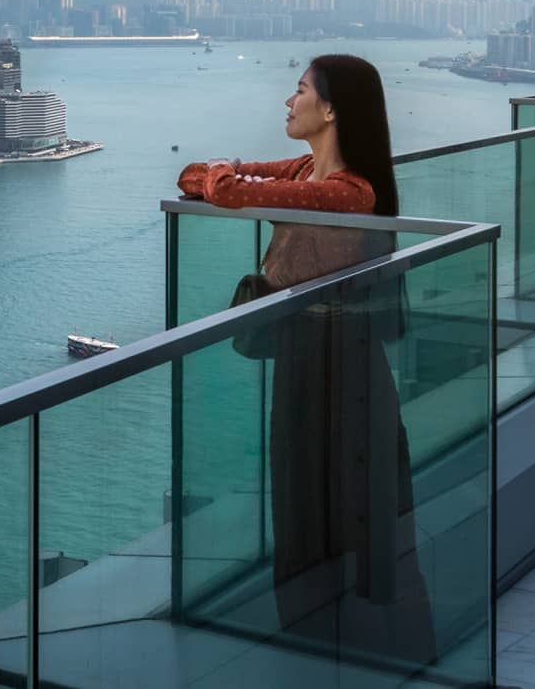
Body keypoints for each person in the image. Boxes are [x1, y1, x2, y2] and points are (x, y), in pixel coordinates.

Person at [177, 54, 437, 670]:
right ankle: (314, 636)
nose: (287, 103)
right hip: (305, 356)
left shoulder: (349, 192)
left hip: (342, 367)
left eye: (298, 92)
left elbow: (229, 188)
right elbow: (197, 177)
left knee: (341, 496)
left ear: (331, 109)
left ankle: (357, 643)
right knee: (301, 494)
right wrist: (224, 172)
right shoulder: (305, 169)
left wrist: (227, 174)